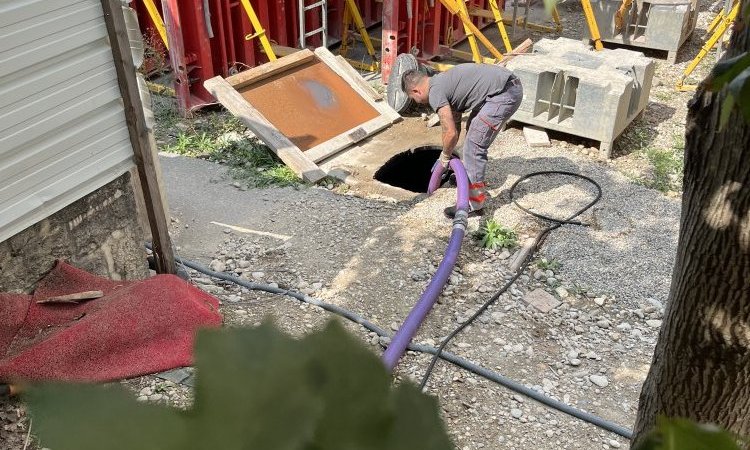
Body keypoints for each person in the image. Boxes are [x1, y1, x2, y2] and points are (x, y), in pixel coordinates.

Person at [402, 64, 523, 217]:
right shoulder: (442, 82)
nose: (418, 102)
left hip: (504, 94)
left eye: (415, 99)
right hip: (503, 88)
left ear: (416, 91)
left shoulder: (435, 93)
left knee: (474, 147)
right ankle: (466, 177)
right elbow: (455, 128)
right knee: (473, 130)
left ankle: (473, 204)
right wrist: (447, 154)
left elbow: (450, 133)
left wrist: (445, 157)